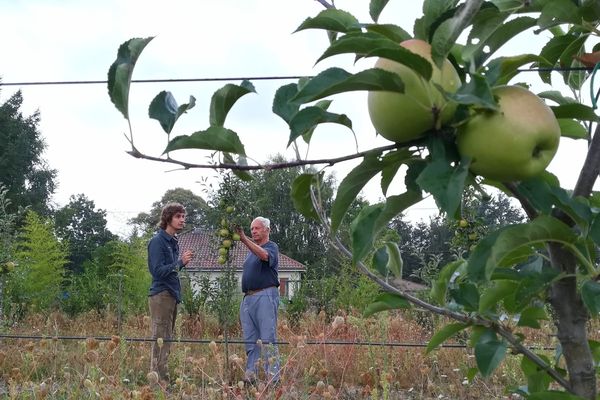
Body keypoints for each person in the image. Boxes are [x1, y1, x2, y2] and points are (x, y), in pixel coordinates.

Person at [147, 202, 193, 383]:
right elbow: (157, 271)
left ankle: (162, 377)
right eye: (178, 216)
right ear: (168, 218)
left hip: (171, 294)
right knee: (160, 337)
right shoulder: (157, 242)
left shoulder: (173, 242)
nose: (182, 220)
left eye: (183, 217)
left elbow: (171, 270)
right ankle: (156, 381)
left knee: (167, 337)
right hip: (161, 295)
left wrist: (180, 263)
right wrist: (180, 262)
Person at [235, 217, 281, 385]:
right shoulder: (250, 253)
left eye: (257, 228)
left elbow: (264, 256)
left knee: (268, 337)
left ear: (267, 230)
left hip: (265, 295)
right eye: (251, 229)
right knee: (250, 339)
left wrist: (244, 239)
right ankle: (251, 376)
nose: (253, 231)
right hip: (248, 298)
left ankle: (273, 378)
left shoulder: (271, 247)